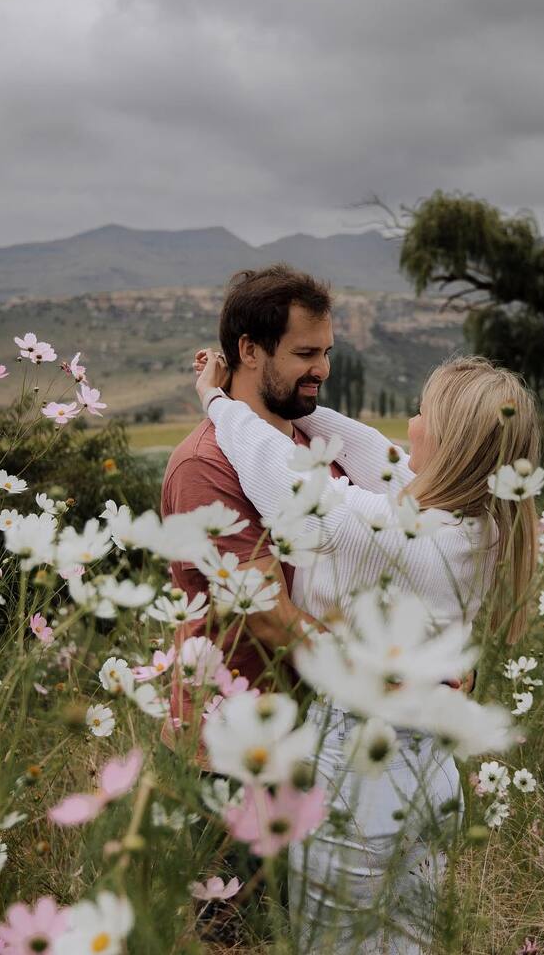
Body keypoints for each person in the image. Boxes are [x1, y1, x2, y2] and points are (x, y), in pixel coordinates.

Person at [194, 348, 542, 954]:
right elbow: (377, 456)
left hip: (360, 780)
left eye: (418, 413)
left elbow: (282, 478)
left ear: (447, 441)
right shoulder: (482, 523)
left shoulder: (391, 535)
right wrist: (297, 413)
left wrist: (219, 403)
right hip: (429, 776)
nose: (408, 427)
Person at [159, 264, 348, 754]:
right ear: (249, 350)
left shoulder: (322, 447)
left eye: (326, 353)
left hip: (319, 735)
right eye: (305, 353)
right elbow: (266, 616)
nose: (322, 370)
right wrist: (380, 681)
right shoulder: (205, 465)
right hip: (229, 749)